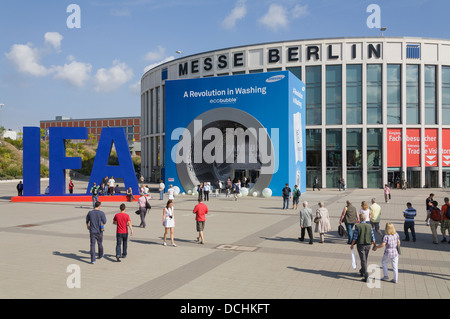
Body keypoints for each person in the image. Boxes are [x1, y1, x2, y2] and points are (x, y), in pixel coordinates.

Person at [350, 212, 376, 282]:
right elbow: (372, 236)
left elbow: (355, 237)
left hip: (360, 244)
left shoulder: (357, 226)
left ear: (360, 219)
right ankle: (362, 270)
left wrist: (352, 244)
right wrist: (374, 244)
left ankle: (366, 275)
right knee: (365, 258)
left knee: (363, 259)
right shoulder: (369, 226)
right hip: (368, 244)